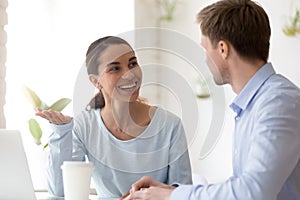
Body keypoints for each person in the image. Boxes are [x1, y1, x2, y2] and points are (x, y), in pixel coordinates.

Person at [123, 0, 300, 199]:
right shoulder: (256, 104)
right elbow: (241, 187)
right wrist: (171, 191)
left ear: (223, 49)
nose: (204, 59)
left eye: (205, 49)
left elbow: (251, 192)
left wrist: (171, 197)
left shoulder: (278, 102)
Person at [36, 36, 192, 198]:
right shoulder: (85, 126)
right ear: (96, 81)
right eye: (115, 69)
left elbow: (184, 194)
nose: (130, 74)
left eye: (133, 64)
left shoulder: (170, 125)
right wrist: (62, 133)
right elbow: (59, 193)